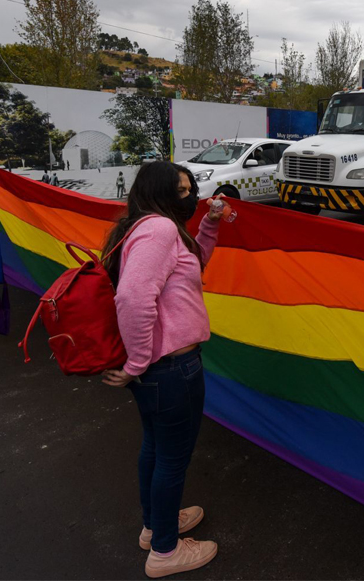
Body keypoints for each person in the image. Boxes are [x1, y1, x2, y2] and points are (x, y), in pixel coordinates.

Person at [100, 162, 230, 578]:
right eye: (181, 190)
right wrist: (137, 363)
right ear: (157, 192)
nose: (191, 196)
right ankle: (165, 552)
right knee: (172, 459)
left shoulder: (150, 228)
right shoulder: (159, 230)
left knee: (156, 448)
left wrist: (209, 225)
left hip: (161, 369)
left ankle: (155, 526)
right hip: (170, 368)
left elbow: (191, 269)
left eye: (191, 188)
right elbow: (133, 299)